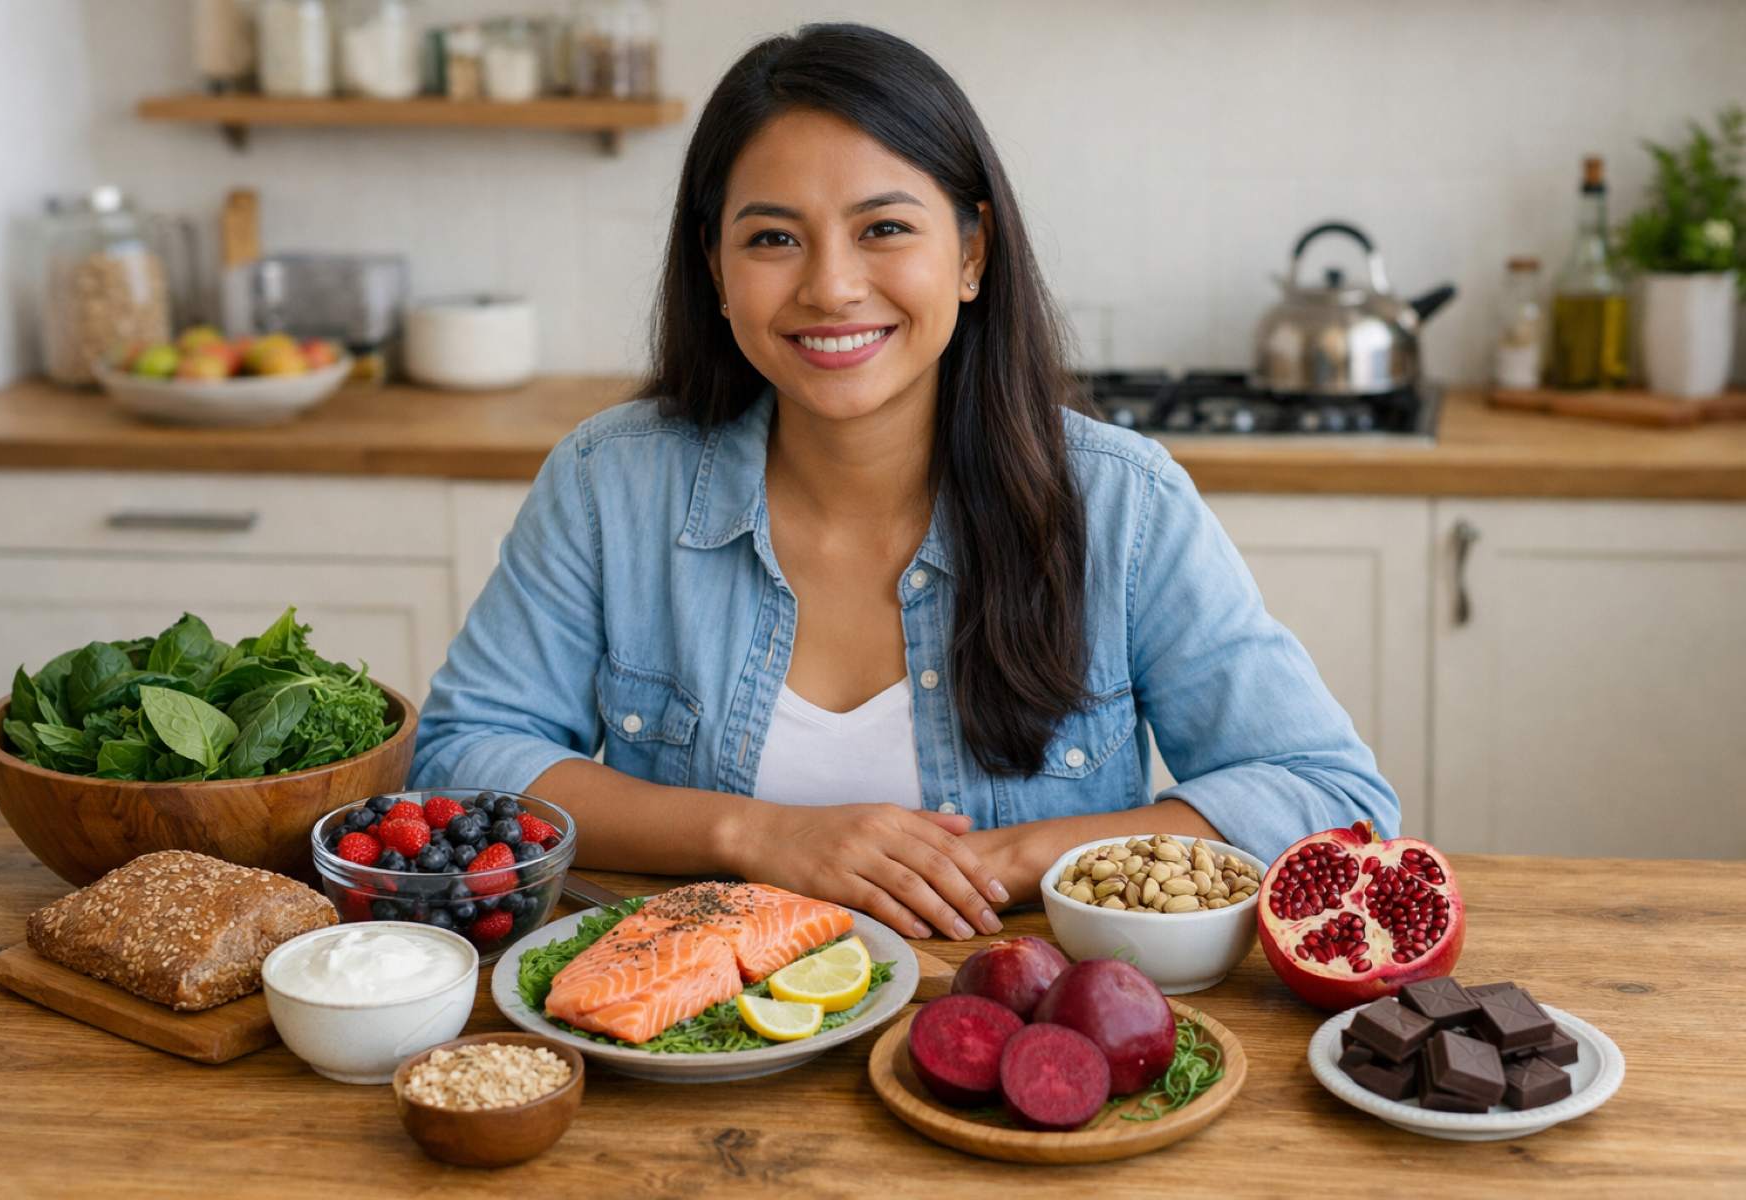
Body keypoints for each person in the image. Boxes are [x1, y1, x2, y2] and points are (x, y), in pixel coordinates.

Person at [411, 23, 1398, 941]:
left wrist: (1013, 859)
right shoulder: (608, 482)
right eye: (772, 238)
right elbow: (464, 760)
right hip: (689, 1047)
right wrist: (758, 836)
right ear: (714, 270)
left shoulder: (1120, 504)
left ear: (970, 252)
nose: (831, 286)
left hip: (1015, 1048)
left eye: (883, 228)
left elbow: (1328, 793)